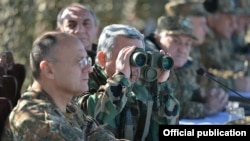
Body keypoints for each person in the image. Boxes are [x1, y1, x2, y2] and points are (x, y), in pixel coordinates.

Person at [0, 31, 122, 140]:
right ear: (48, 70)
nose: (89, 69)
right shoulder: (41, 123)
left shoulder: (67, 108)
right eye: (81, 61)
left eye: (88, 61)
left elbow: (97, 136)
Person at [73, 24, 180, 141]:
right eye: (126, 56)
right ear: (102, 58)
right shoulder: (82, 82)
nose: (134, 66)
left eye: (139, 57)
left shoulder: (141, 87)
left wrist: (160, 87)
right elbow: (94, 117)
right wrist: (121, 78)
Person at [144, 15, 228, 119]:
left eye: (187, 43)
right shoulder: (147, 66)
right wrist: (204, 109)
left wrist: (211, 96)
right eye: (175, 41)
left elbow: (197, 90)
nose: (182, 50)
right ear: (157, 39)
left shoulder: (188, 65)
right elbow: (156, 109)